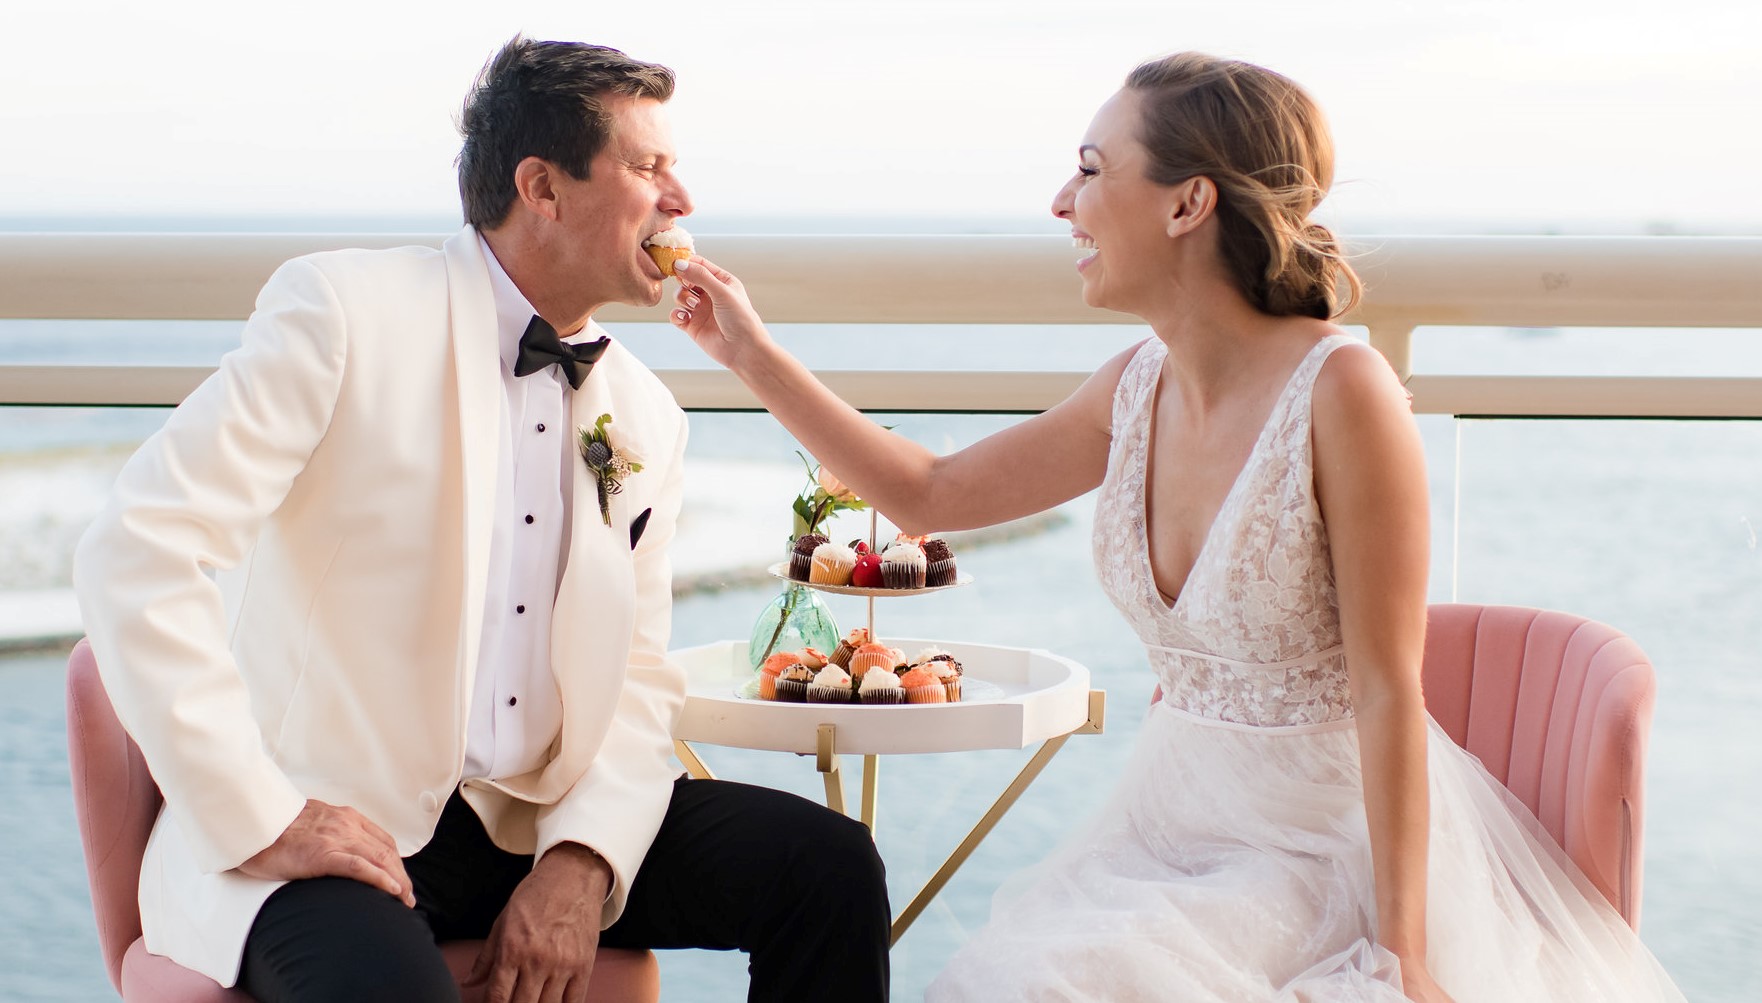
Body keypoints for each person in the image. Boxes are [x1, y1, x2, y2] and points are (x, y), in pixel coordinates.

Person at [668, 52, 1686, 1002]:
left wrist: (1401, 948)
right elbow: (933, 493)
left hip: (1317, 846)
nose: (1060, 202)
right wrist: (746, 351)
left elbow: (1387, 688)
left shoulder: (1344, 392)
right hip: (1163, 827)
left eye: (1088, 169)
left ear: (1188, 203)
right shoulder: (1134, 386)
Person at [73, 37, 889, 1003]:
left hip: (537, 818)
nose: (681, 197)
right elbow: (136, 549)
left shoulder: (647, 413)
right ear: (541, 187)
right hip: (344, 820)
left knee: (830, 871)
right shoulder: (344, 314)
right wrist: (266, 815)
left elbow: (636, 680)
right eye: (648, 166)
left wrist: (582, 860)